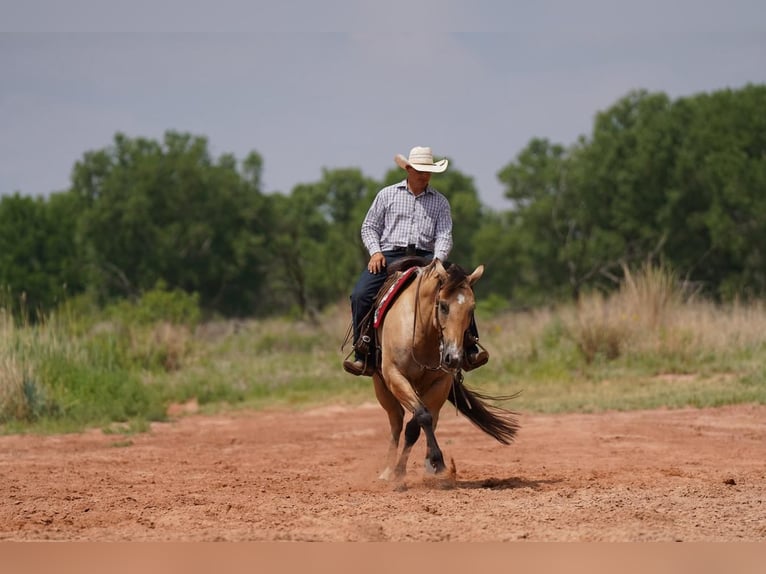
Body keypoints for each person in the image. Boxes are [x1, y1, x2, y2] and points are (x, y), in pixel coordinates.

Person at [343, 146, 489, 376]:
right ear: (408, 169)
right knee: (360, 294)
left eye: (428, 171)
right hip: (389, 255)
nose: (424, 174)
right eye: (420, 170)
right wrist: (375, 252)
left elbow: (444, 235)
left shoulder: (440, 202)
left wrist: (438, 261)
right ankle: (362, 350)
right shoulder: (387, 195)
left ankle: (470, 345)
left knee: (460, 288)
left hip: (427, 257)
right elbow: (369, 226)